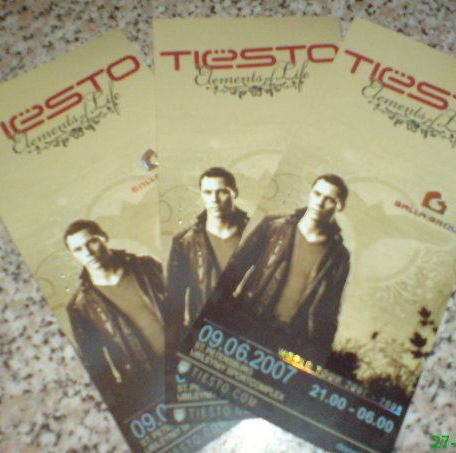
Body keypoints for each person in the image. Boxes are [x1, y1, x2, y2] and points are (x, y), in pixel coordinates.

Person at [210, 174, 350, 365]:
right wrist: (214, 311)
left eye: (329, 200)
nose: (319, 203)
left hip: (288, 341)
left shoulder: (338, 256)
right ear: (310, 193)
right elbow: (235, 269)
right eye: (317, 194)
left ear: (339, 206)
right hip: (246, 320)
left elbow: (330, 310)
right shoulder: (273, 226)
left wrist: (317, 357)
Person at [64, 219, 167, 419]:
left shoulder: (146, 267)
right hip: (146, 382)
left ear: (104, 237)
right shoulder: (79, 307)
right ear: (73, 255)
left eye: (91, 242)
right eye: (78, 249)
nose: (87, 252)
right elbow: (96, 364)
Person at [167, 167, 249, 335]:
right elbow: (174, 299)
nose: (214, 199)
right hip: (203, 332)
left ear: (235, 193)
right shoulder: (184, 241)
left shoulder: (256, 232)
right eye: (208, 192)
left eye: (222, 192)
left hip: (247, 330)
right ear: (201, 195)